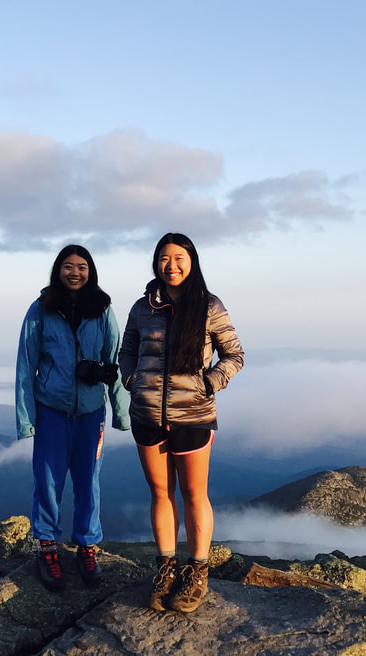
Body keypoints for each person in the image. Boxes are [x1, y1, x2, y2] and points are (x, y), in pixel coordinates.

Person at [119, 232, 244, 613]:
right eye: (163, 258)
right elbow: (126, 352)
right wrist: (132, 382)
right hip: (147, 415)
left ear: (192, 261)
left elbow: (234, 355)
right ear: (155, 262)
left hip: (193, 415)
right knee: (160, 494)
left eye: (179, 258)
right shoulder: (143, 308)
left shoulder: (209, 306)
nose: (171, 265)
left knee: (194, 495)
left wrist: (209, 383)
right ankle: (166, 568)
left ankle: (197, 571)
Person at [15, 244, 130, 591]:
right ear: (58, 270)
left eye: (82, 266)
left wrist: (121, 412)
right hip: (51, 410)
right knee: (48, 481)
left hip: (91, 412)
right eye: (68, 266)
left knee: (88, 481)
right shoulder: (41, 309)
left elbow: (116, 362)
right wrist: (26, 419)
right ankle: (47, 547)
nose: (75, 272)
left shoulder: (103, 308)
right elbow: (26, 364)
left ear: (90, 271)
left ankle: (86, 546)